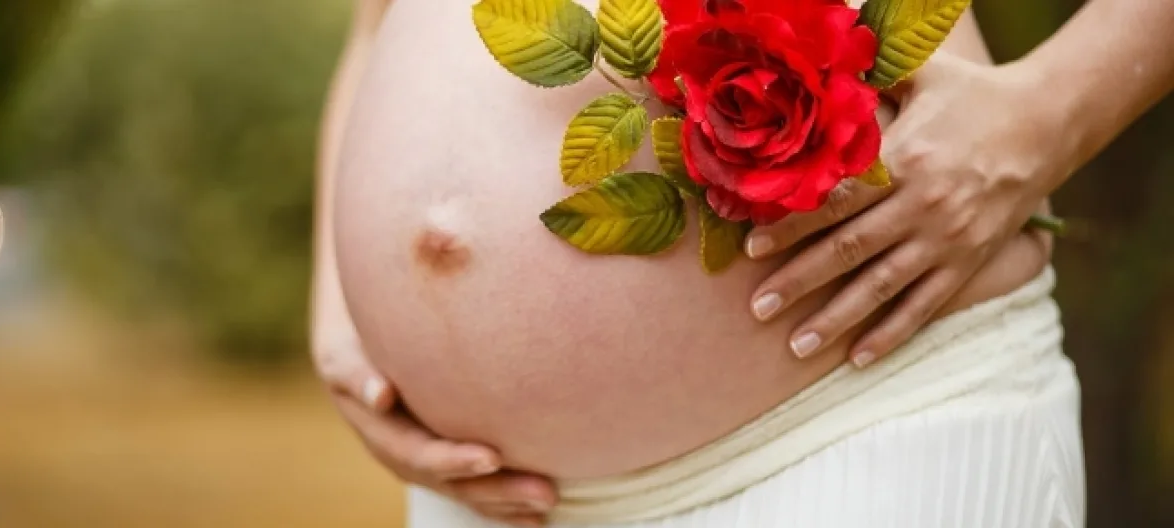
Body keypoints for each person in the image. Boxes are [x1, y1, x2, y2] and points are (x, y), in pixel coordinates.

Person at [312, 0, 1174, 526]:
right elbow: (375, 22)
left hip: (855, 427)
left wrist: (1051, 112)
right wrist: (341, 309)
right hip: (479, 489)